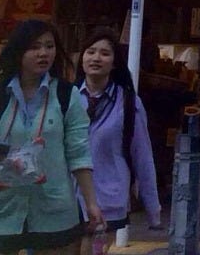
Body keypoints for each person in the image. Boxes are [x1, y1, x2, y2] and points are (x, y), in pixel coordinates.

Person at [0, 18, 105, 255]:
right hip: (6, 207)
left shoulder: (66, 95)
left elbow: (79, 154)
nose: (44, 53)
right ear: (18, 51)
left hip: (55, 209)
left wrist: (91, 203)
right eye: (34, 47)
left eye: (49, 46)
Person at [74, 28, 161, 248]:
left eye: (104, 53)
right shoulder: (67, 99)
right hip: (67, 201)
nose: (96, 58)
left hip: (108, 201)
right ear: (82, 58)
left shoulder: (129, 103)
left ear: (114, 63)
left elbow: (142, 156)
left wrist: (153, 208)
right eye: (90, 52)